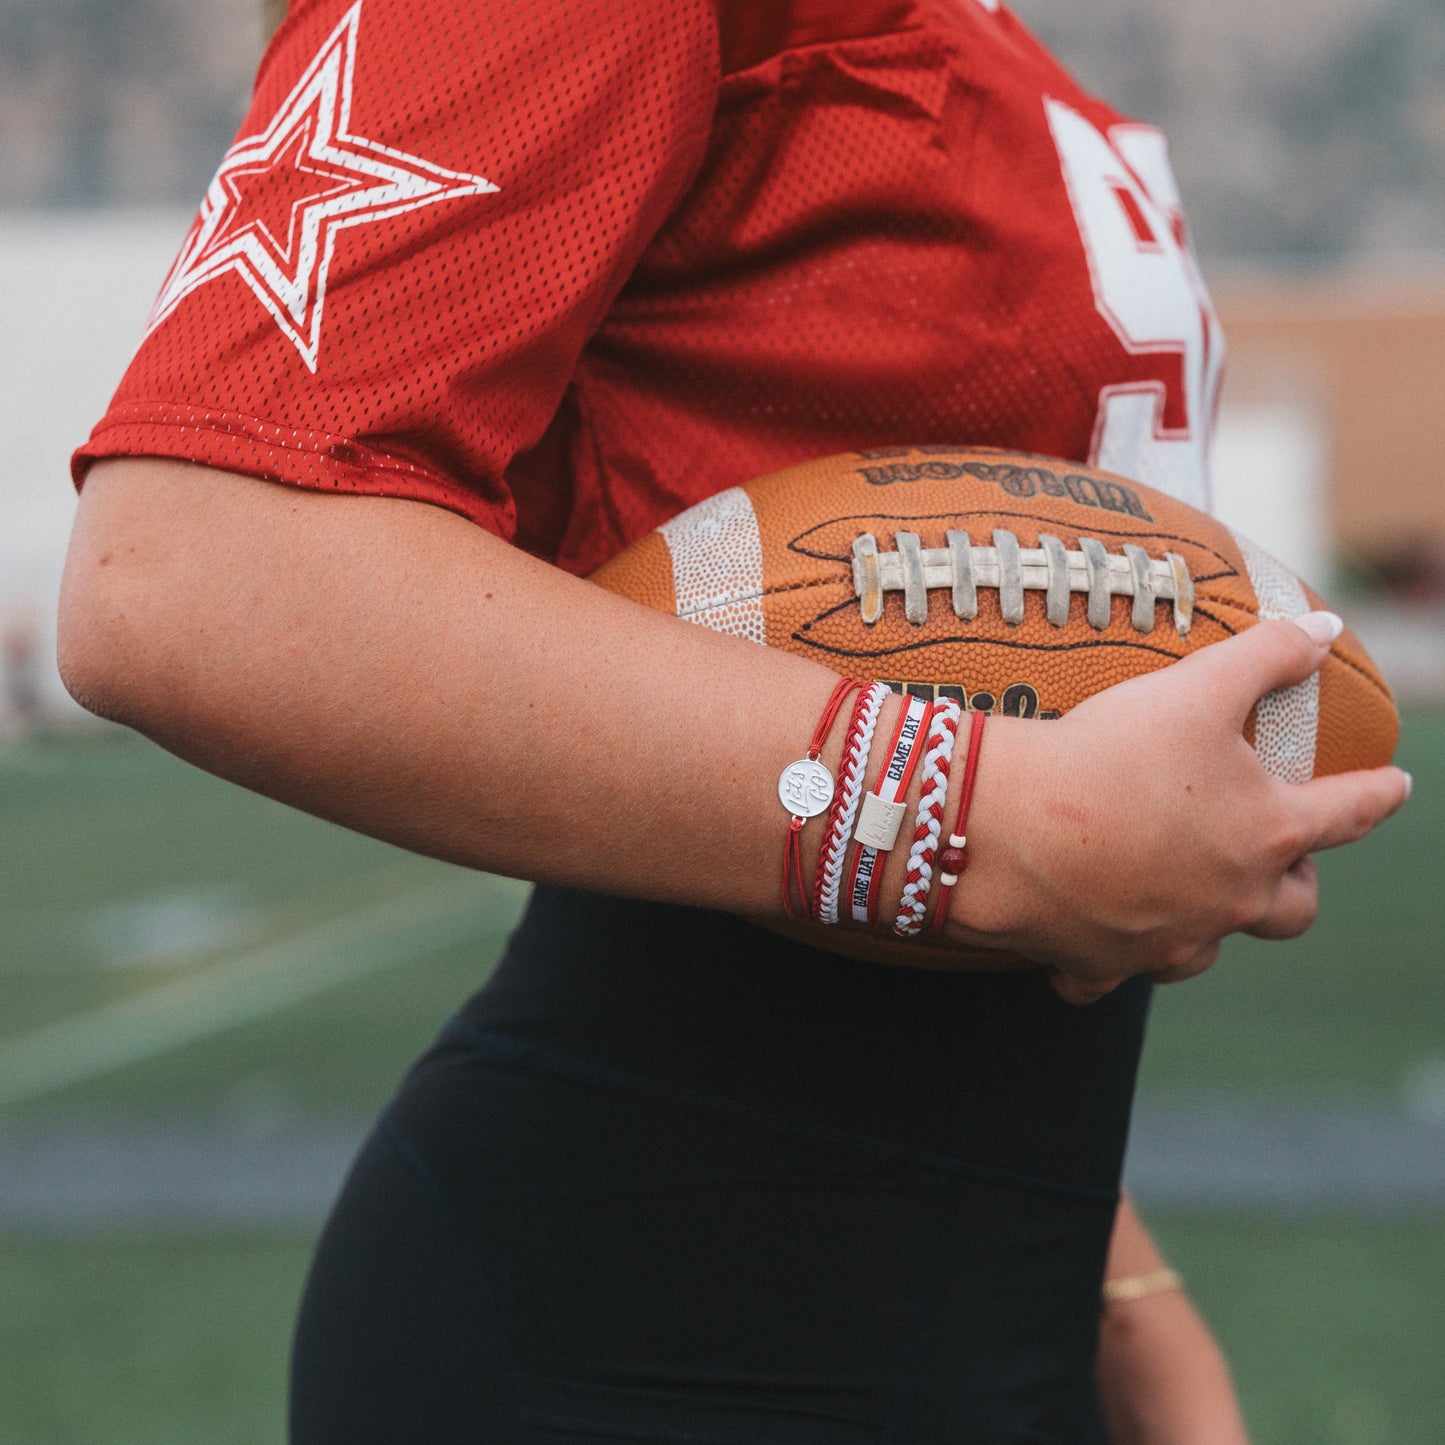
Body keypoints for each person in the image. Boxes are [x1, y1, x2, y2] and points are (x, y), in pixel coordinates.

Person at [57, 1, 1409, 1440]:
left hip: (997, 1284)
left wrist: (1121, 1288)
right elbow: (184, 575)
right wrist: (987, 820)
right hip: (636, 1314)